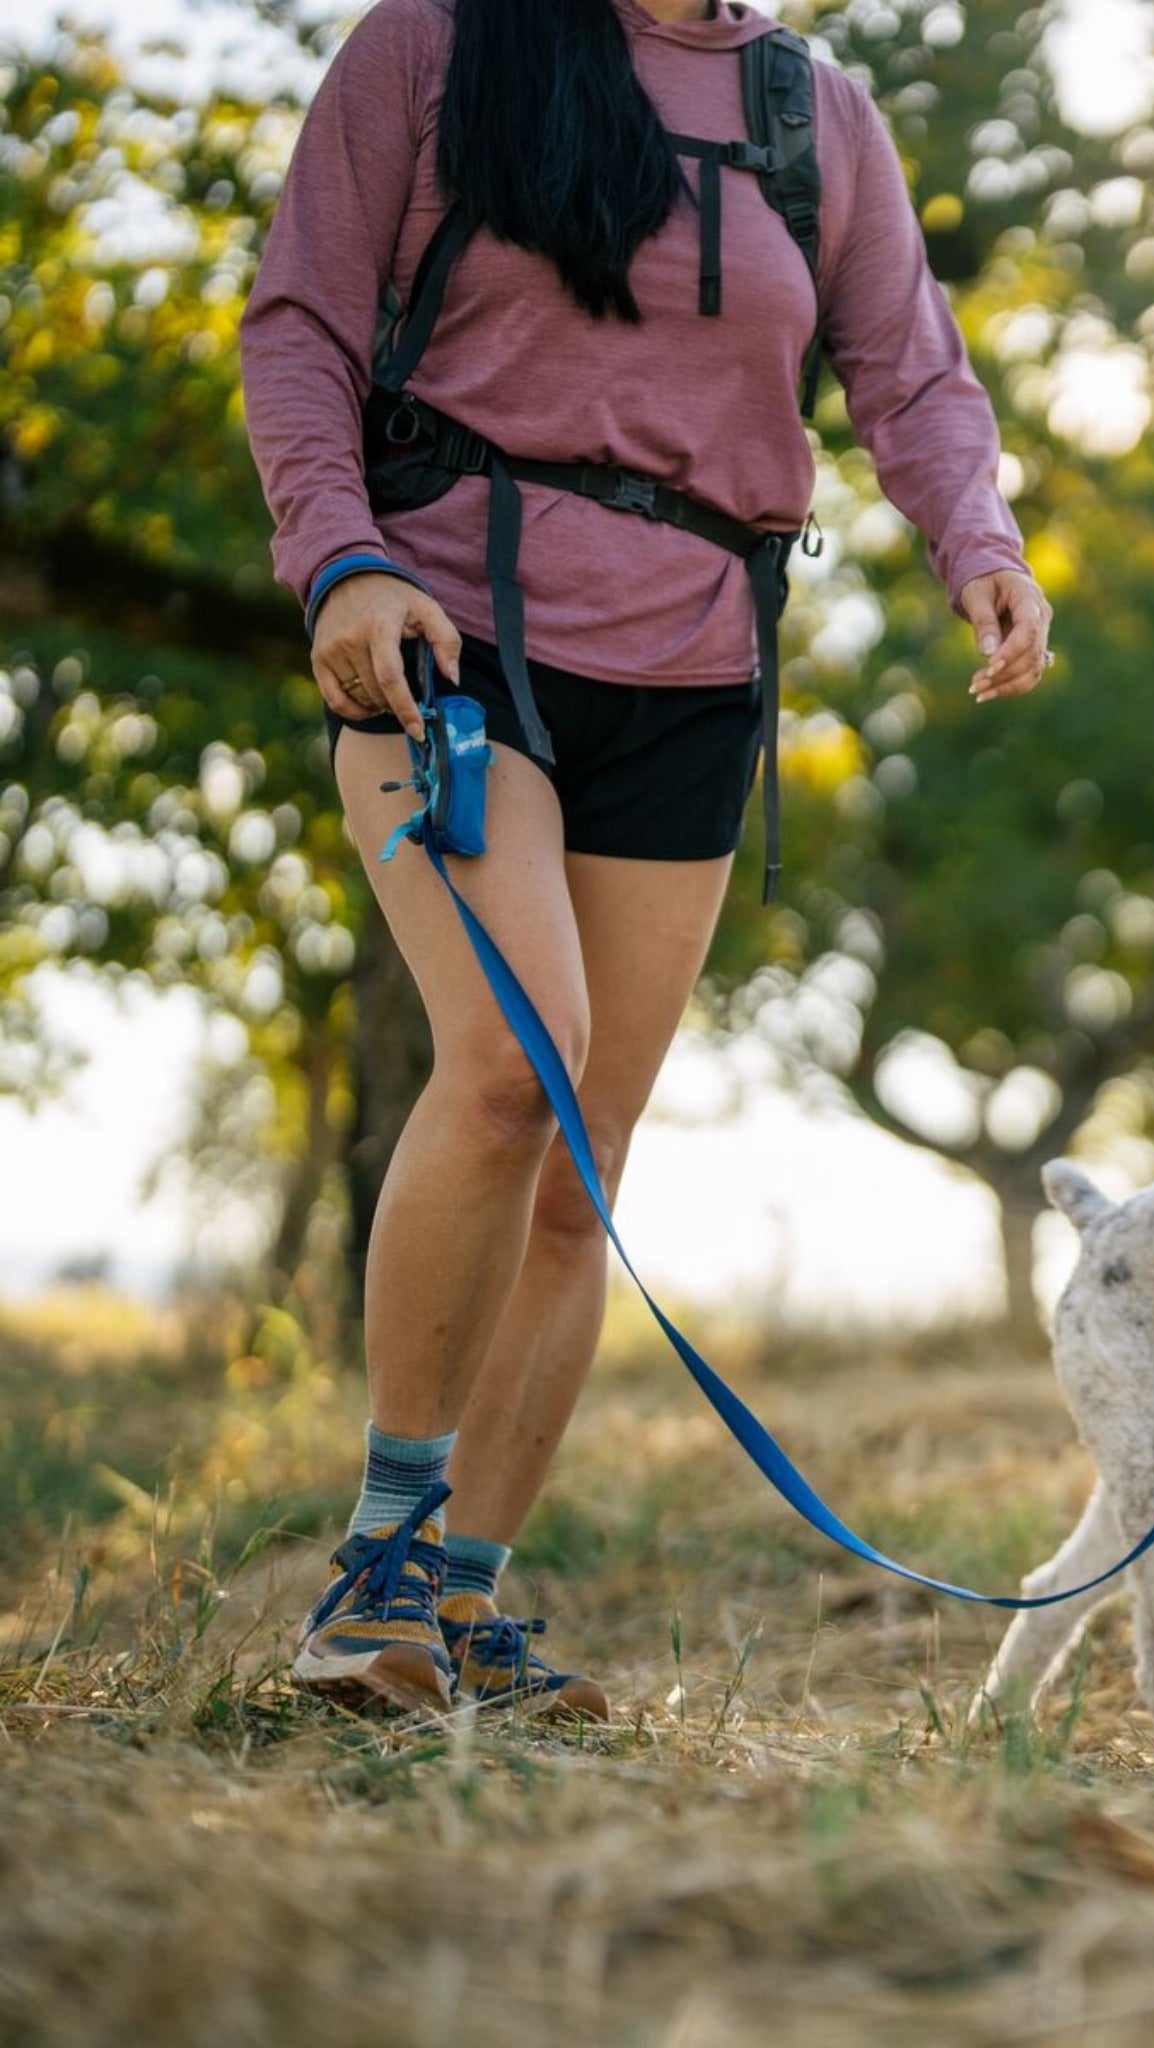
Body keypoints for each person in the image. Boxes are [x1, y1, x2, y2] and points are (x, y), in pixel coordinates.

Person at [239, 0, 1054, 1719]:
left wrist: (975, 538)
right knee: (509, 1068)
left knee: (580, 1159)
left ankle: (465, 1607)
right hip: (446, 637)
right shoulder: (437, 45)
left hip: (691, 667)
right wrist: (338, 561)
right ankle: (376, 1575)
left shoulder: (810, 111)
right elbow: (301, 317)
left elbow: (908, 365)